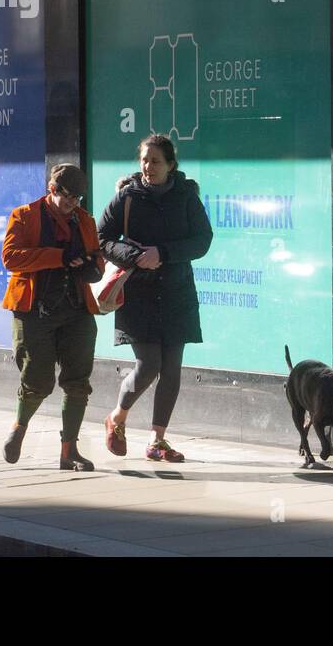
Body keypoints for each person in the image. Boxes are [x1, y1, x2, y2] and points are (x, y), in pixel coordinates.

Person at [98, 134, 212, 462]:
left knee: (172, 369)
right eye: (145, 160)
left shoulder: (186, 196)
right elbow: (101, 238)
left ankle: (157, 441)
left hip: (177, 292)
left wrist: (163, 252)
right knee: (149, 365)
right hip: (138, 294)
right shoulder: (127, 197)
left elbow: (203, 240)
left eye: (155, 161)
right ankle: (117, 417)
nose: (148, 167)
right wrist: (135, 256)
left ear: (171, 165)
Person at [0, 164, 104, 471]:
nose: (73, 203)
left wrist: (92, 267)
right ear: (52, 190)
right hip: (35, 309)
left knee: (78, 380)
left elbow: (96, 257)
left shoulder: (84, 220)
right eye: (67, 196)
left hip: (75, 309)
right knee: (37, 379)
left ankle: (69, 451)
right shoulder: (25, 215)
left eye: (78, 198)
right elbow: (11, 257)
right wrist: (57, 257)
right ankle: (19, 429)